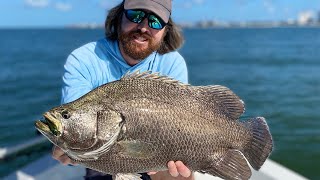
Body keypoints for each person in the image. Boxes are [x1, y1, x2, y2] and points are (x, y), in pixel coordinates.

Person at [52, 0, 194, 179]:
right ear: (119, 17)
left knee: (178, 173)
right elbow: (78, 122)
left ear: (166, 30)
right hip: (103, 157)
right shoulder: (83, 60)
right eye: (135, 15)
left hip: (158, 152)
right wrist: (71, 150)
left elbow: (184, 121)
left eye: (155, 21)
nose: (143, 27)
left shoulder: (173, 62)